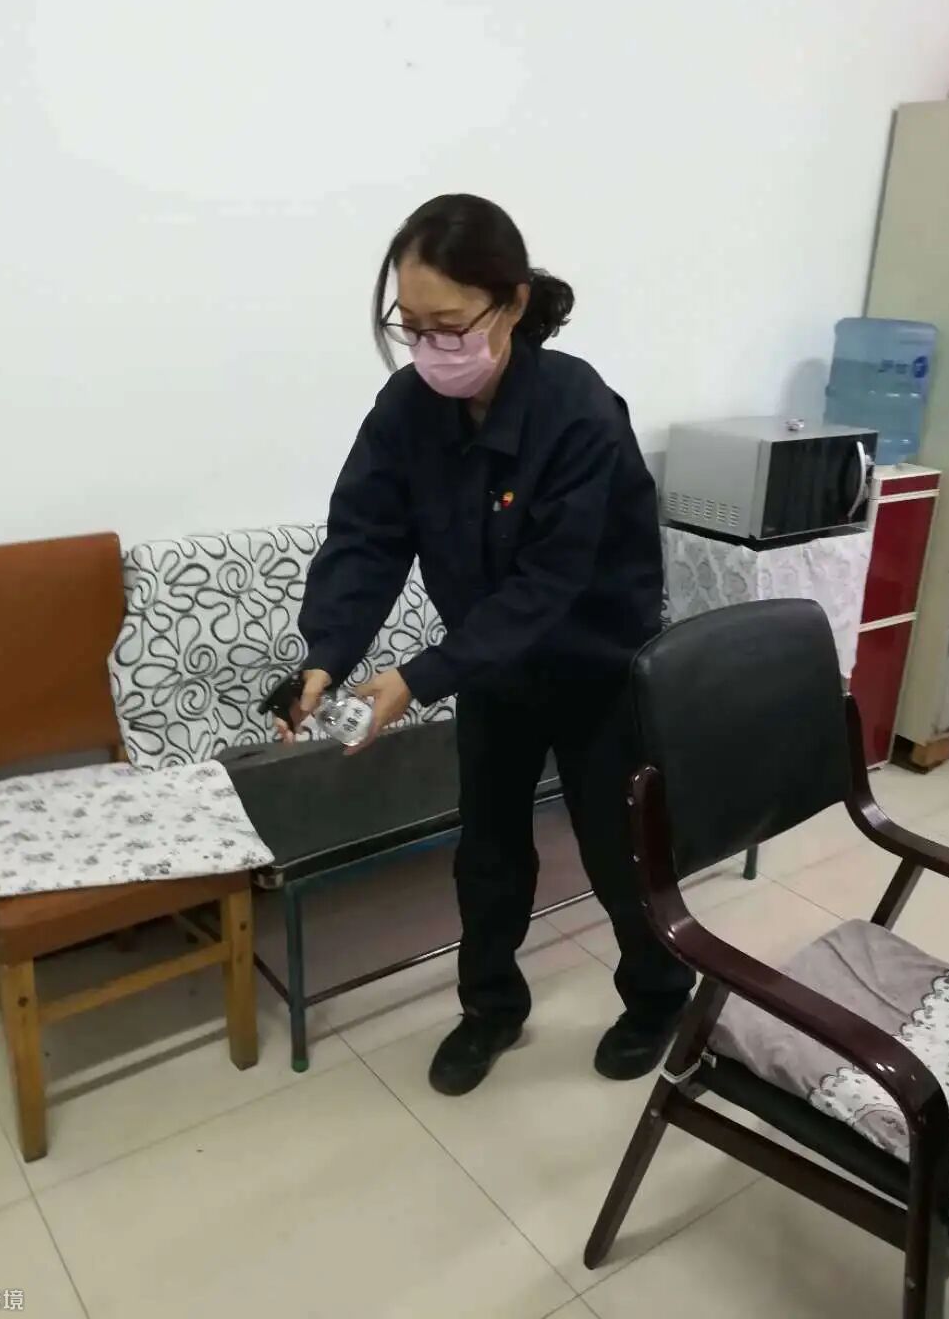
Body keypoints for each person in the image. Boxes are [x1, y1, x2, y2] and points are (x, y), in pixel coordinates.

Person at [281, 194, 693, 1095]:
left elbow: (549, 584)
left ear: (510, 304)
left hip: (596, 667)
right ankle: (491, 1009)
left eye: (451, 325)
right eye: (412, 325)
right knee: (490, 853)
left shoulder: (577, 411)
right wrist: (326, 655)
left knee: (618, 850)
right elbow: (366, 537)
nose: (432, 347)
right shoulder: (409, 408)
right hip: (492, 669)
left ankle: (660, 995)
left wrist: (418, 676)